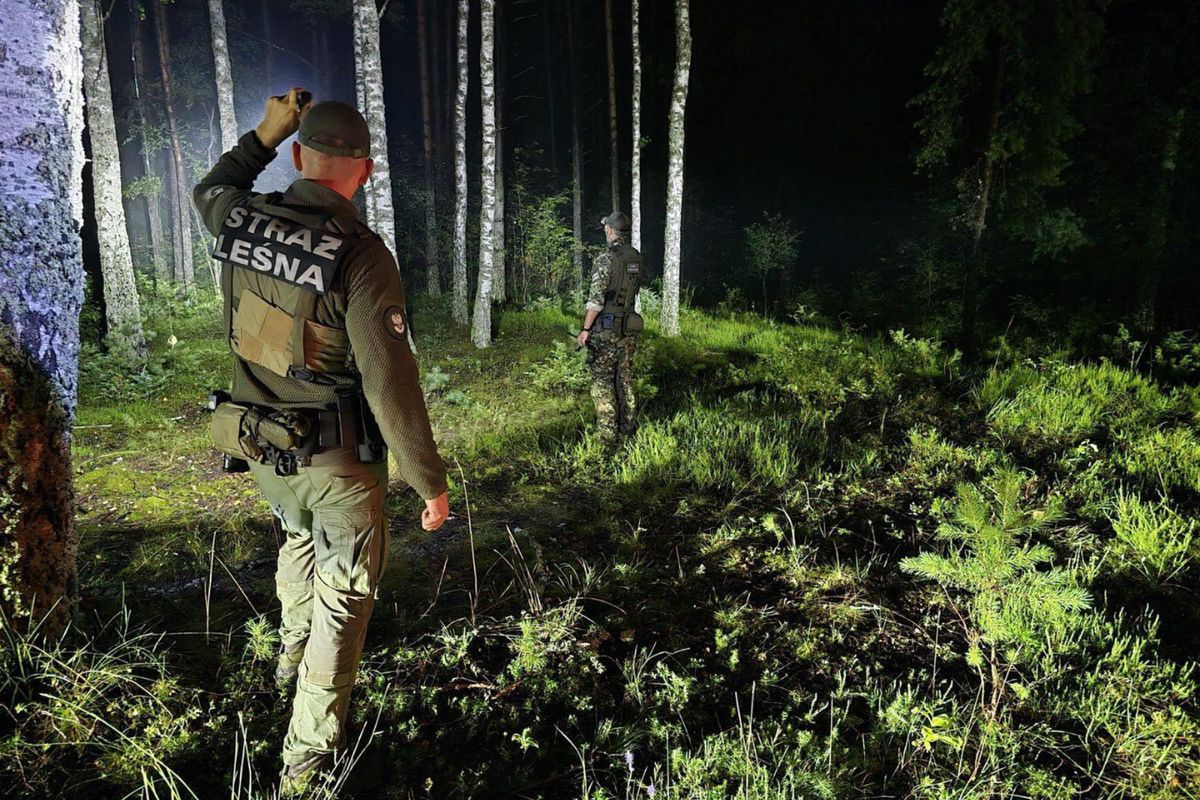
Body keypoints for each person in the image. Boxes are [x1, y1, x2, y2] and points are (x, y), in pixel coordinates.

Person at [193, 89, 449, 793]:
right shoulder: (361, 256)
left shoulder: (242, 216)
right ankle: (306, 762)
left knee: (298, 540)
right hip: (337, 462)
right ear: (365, 171)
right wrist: (428, 481)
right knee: (343, 599)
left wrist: (263, 135)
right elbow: (389, 384)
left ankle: (288, 661)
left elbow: (209, 188)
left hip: (262, 450)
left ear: (300, 156)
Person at [577, 212, 643, 442]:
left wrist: (585, 329)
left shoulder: (606, 258)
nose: (605, 229)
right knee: (625, 378)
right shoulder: (636, 258)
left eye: (606, 226)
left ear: (611, 231)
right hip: (629, 328)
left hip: (606, 330)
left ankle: (607, 436)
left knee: (602, 380)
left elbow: (596, 300)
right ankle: (628, 428)